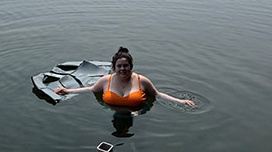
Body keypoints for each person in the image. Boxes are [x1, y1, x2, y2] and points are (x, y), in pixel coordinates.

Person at [54, 46, 196, 108]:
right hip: (113, 114)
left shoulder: (142, 81)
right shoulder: (105, 81)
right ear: (114, 67)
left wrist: (180, 101)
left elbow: (158, 94)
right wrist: (68, 91)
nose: (122, 69)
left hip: (138, 116)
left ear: (131, 66)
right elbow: (90, 88)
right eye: (119, 66)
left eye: (125, 65)